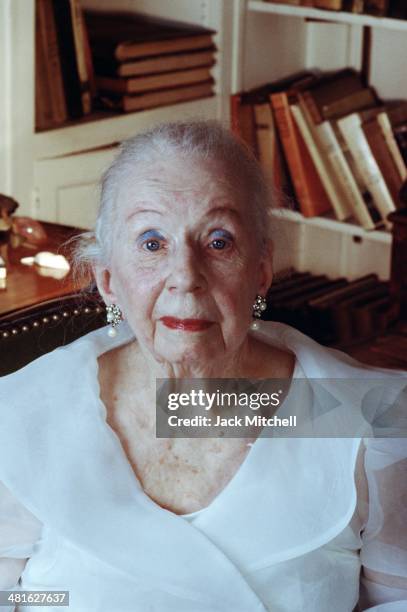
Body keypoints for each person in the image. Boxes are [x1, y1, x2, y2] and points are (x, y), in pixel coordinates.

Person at [0, 120, 406, 612]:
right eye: (152, 243)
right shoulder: (25, 415)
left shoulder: (363, 420)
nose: (186, 278)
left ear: (260, 271)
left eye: (218, 241)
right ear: (108, 280)